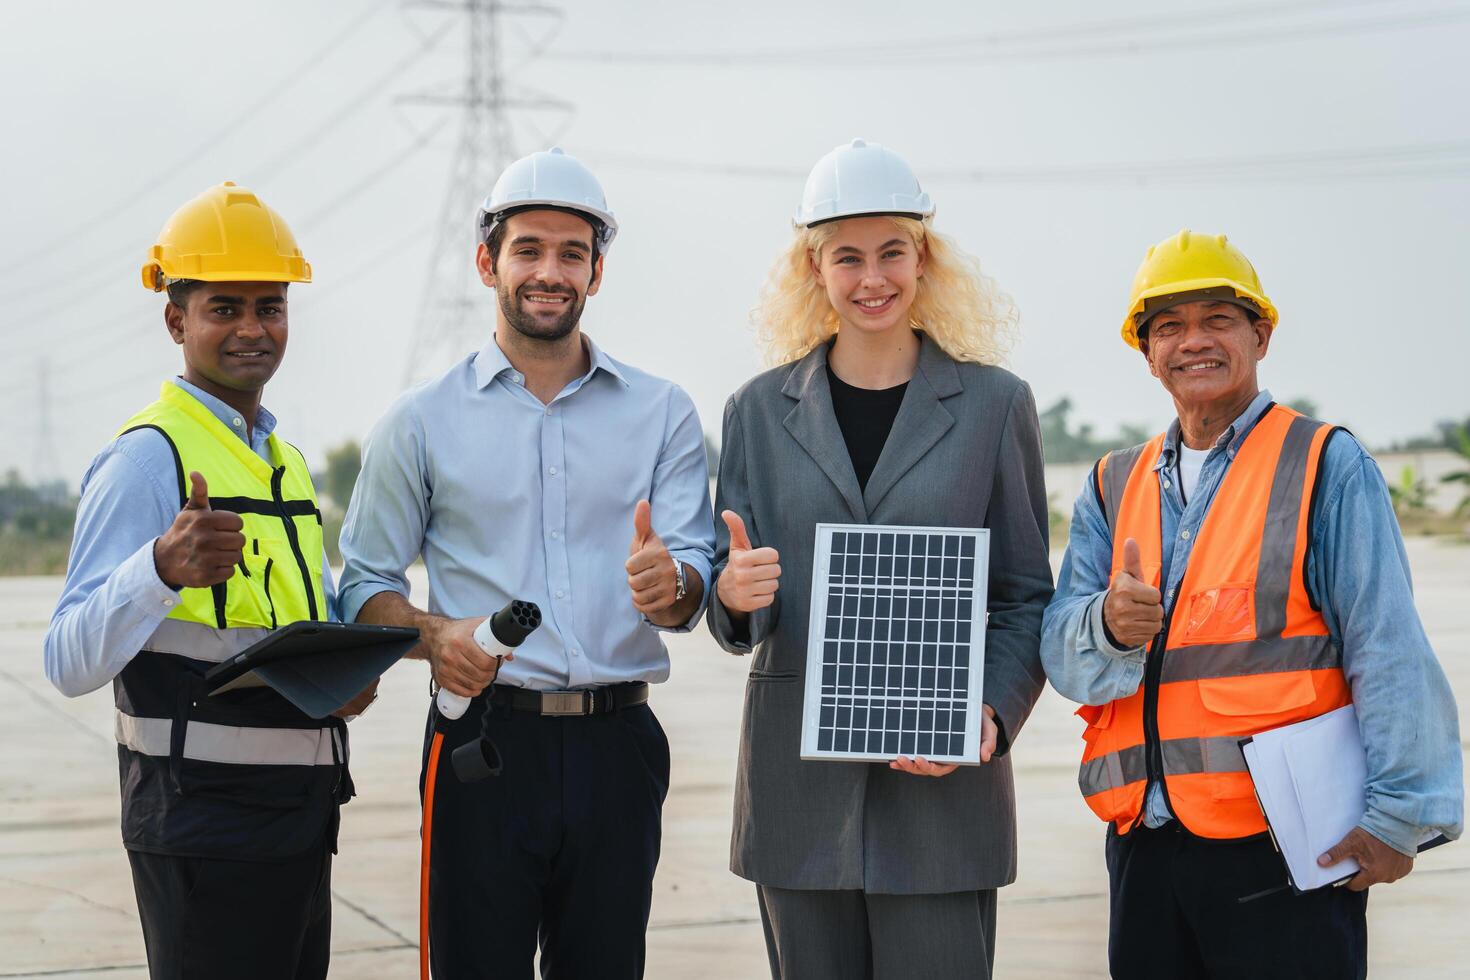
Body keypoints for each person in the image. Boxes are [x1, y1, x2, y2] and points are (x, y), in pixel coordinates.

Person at [1041, 230, 1463, 978]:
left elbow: (1387, 645)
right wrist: (1105, 626)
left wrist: (1400, 818)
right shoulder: (1112, 483)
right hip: (1146, 840)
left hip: (1285, 846)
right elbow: (1061, 655)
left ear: (1261, 335)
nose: (1192, 341)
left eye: (1218, 320)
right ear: (1146, 352)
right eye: (1168, 326)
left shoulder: (1325, 463)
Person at [338, 146, 716, 979]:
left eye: (572, 253)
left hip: (621, 746)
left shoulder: (663, 413)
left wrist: (674, 585)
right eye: (529, 250)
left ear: (597, 272)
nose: (551, 271)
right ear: (487, 262)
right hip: (481, 742)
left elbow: (691, 580)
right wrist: (437, 637)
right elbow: (363, 587)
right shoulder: (421, 422)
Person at [706, 139, 1052, 979]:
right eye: (847, 257)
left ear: (923, 259)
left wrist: (993, 714)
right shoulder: (756, 412)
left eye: (892, 252)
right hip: (799, 803)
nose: (873, 279)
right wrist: (733, 592)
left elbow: (1024, 595)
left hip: (941, 798)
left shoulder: (994, 405)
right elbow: (735, 617)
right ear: (813, 269)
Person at [43, 182, 374, 979]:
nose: (253, 329)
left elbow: (283, 638)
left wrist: (342, 681)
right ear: (176, 320)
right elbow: (67, 658)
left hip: (299, 826)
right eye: (225, 308)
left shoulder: (285, 466)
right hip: (202, 835)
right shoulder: (146, 459)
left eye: (271, 307)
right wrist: (158, 569)